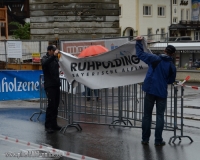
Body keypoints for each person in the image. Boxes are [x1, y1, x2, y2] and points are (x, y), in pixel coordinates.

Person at [135, 36, 176, 146]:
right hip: (161, 92)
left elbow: (140, 54)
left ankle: (145, 139)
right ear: (172, 54)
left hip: (150, 89)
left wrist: (138, 42)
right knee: (160, 116)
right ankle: (158, 140)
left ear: (164, 51)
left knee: (147, 115)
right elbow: (171, 80)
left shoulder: (154, 58)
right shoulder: (172, 66)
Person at [42, 45, 62, 133]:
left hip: (56, 85)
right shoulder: (45, 58)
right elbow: (45, 63)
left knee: (56, 105)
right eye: (53, 51)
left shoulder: (55, 59)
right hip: (49, 85)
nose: (54, 52)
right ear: (49, 51)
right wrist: (53, 56)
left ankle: (54, 124)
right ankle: (48, 125)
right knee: (51, 105)